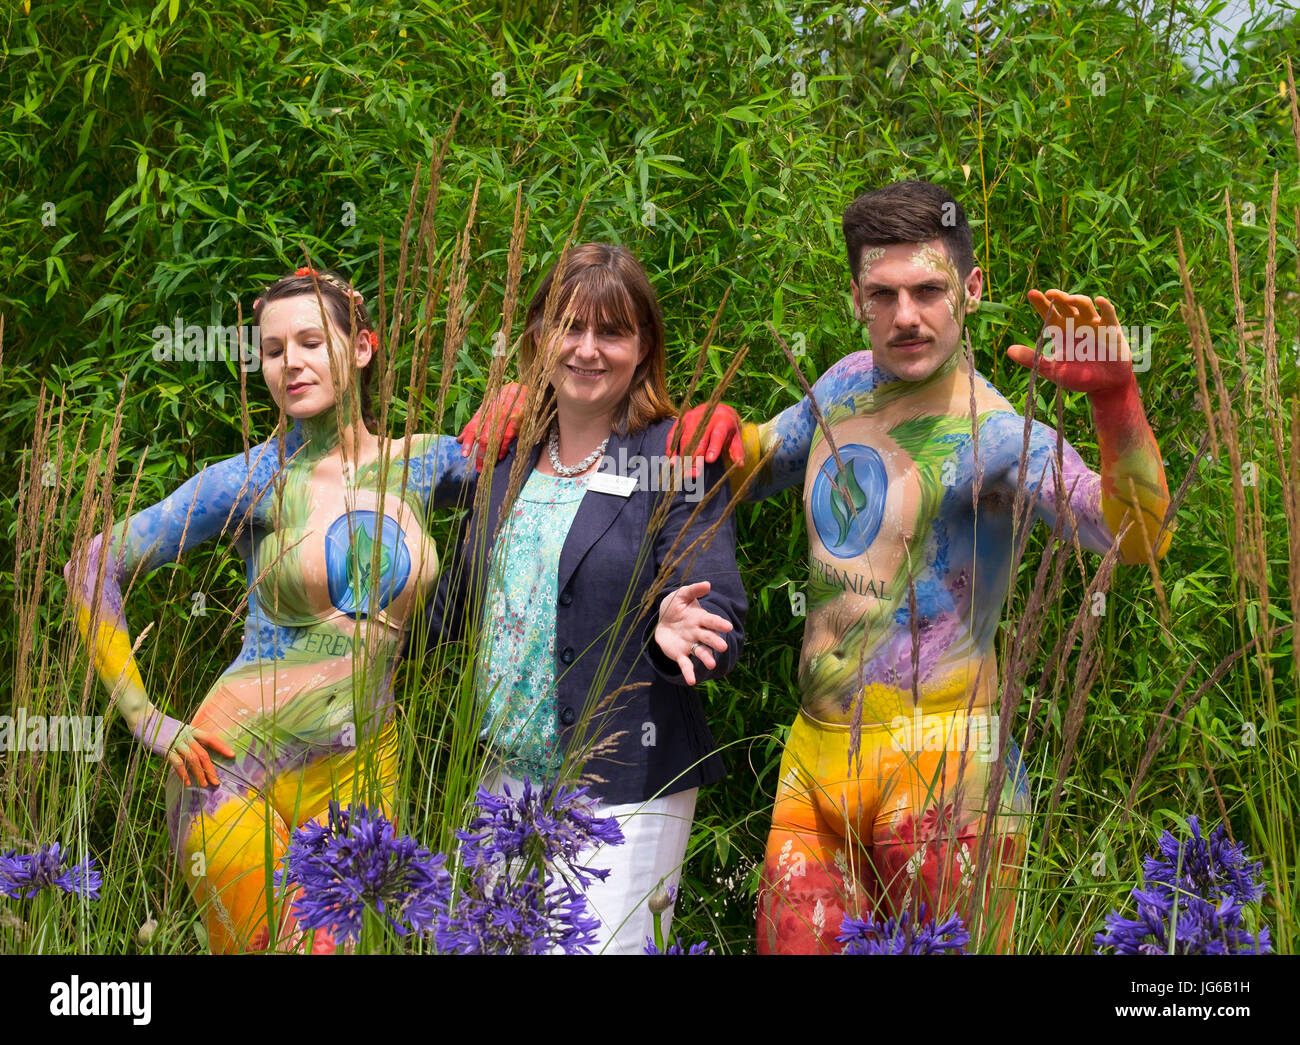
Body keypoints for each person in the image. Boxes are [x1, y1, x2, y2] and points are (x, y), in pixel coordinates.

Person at [672, 180, 1172, 953]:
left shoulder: (1004, 436)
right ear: (856, 297)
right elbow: (733, 470)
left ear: (971, 288)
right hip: (817, 757)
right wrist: (719, 424)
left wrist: (1118, 403)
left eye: (929, 289)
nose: (907, 315)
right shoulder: (838, 388)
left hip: (947, 773)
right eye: (884, 293)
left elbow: (1140, 538)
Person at [63, 267, 504, 953]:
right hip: (231, 771)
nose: (290, 362)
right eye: (273, 350)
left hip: (365, 770)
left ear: (361, 347)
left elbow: (553, 447)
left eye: (310, 341)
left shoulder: (423, 464)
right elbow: (94, 564)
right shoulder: (251, 479)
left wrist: (518, 392)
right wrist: (145, 717)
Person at [429, 242, 747, 954]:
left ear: (643, 348)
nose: (586, 348)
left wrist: (683, 628)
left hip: (625, 780)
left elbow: (721, 608)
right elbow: (453, 604)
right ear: (539, 335)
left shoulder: (676, 453)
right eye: (569, 325)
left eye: (611, 331)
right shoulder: (508, 459)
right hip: (503, 773)